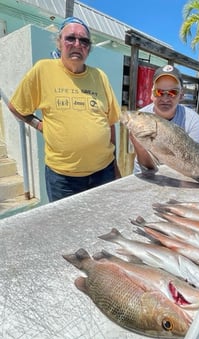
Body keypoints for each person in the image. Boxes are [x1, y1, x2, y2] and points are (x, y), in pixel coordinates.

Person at [8, 16, 121, 202]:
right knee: (66, 229)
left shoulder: (100, 76)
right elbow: (16, 107)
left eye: (84, 40)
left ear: (89, 48)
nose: (77, 44)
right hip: (63, 179)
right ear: (59, 42)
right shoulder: (43, 70)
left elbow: (110, 124)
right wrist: (39, 125)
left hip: (104, 171)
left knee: (104, 223)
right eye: (70, 38)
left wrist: (115, 164)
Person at [131, 64, 199, 184]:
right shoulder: (140, 117)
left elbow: (194, 161)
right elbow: (147, 167)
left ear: (181, 95)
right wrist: (139, 147)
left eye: (172, 92)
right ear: (152, 95)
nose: (165, 98)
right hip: (145, 176)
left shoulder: (193, 120)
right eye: (159, 92)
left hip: (180, 179)